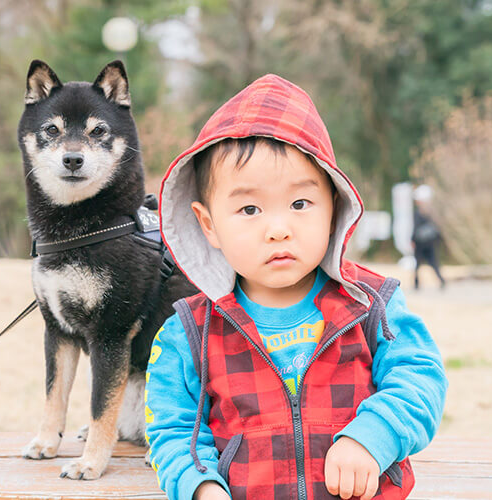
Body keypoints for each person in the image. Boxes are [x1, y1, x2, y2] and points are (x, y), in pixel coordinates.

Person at [145, 75, 447, 500]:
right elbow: (174, 430)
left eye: (300, 204)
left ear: (334, 207)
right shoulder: (190, 332)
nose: (278, 229)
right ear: (209, 224)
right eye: (249, 208)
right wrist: (201, 486)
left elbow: (420, 378)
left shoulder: (370, 304)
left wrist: (372, 436)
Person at [410, 186, 445, 290]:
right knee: (424, 264)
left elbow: (415, 228)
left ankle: (440, 281)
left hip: (425, 243)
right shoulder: (430, 213)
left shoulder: (425, 213)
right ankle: (417, 284)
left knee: (430, 264)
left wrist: (412, 239)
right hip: (427, 243)